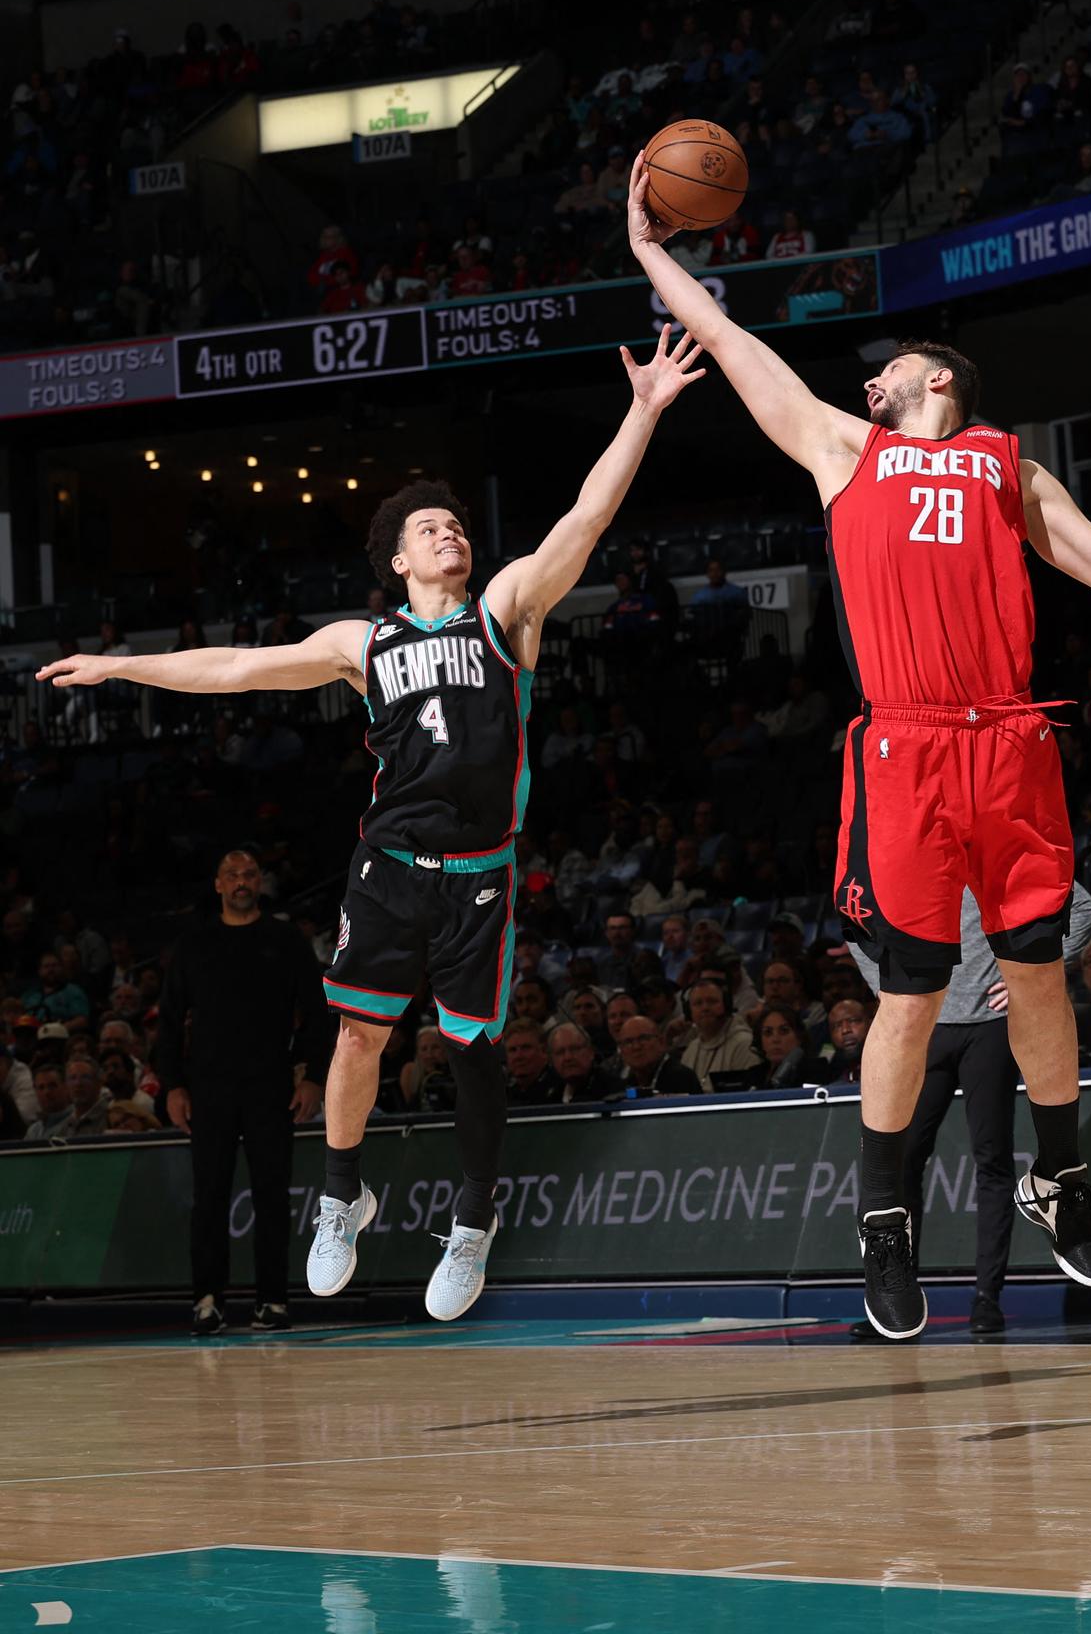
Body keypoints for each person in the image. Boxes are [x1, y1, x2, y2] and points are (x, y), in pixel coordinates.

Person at [628, 154, 1091, 1341]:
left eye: (886, 367)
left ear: (937, 378)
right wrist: (649, 252)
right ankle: (883, 1222)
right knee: (906, 996)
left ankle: (1059, 1176)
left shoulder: (1011, 467)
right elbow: (739, 348)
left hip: (1008, 742)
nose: (867, 377)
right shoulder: (845, 450)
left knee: (1039, 976)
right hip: (903, 750)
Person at [41, 328, 702, 1324]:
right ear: (397, 559)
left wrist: (643, 409)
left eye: (454, 525)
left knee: (471, 1049)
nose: (449, 534)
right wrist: (120, 667)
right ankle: (342, 1197)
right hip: (388, 866)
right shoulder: (364, 640)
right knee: (357, 1040)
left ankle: (471, 1225)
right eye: (428, 528)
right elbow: (235, 666)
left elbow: (586, 516)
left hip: (479, 874)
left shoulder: (505, 611)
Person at [851, 880, 1091, 1336]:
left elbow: (1083, 908)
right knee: (901, 1159)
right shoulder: (920, 847)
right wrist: (890, 993)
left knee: (993, 1161)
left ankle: (988, 1297)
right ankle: (892, 1282)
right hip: (928, 1021)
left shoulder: (992, 841)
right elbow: (856, 920)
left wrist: (1028, 977)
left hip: (988, 1023)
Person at [153, 849, 329, 1335]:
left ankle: (272, 1299)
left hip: (271, 1086)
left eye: (249, 873)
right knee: (209, 1194)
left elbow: (317, 1012)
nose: (241, 881)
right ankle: (207, 1300)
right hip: (208, 1088)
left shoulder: (285, 939)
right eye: (231, 875)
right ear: (217, 885)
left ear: (261, 882)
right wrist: (173, 1085)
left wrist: (314, 1075)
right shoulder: (195, 944)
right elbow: (168, 1022)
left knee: (272, 1195)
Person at [615, 1014, 702, 1096]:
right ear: (621, 1050)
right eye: (628, 1042)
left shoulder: (682, 1078)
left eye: (643, 1038)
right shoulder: (622, 1085)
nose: (636, 1047)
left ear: (661, 1042)